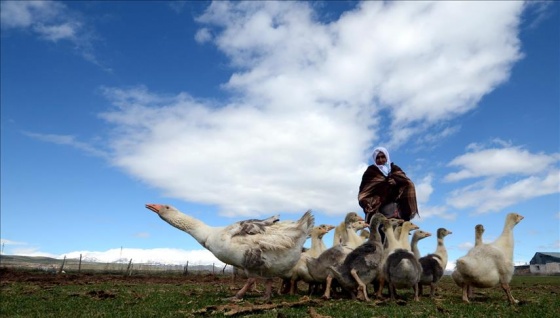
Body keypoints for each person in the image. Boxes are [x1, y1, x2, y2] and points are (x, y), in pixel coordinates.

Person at [358, 147, 419, 224]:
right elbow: (364, 193)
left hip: (399, 207)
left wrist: (396, 182)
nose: (380, 160)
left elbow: (407, 183)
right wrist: (385, 185)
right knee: (385, 231)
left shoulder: (395, 169)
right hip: (381, 207)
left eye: (383, 157)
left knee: (400, 231)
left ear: (387, 157)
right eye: (378, 158)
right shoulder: (371, 172)